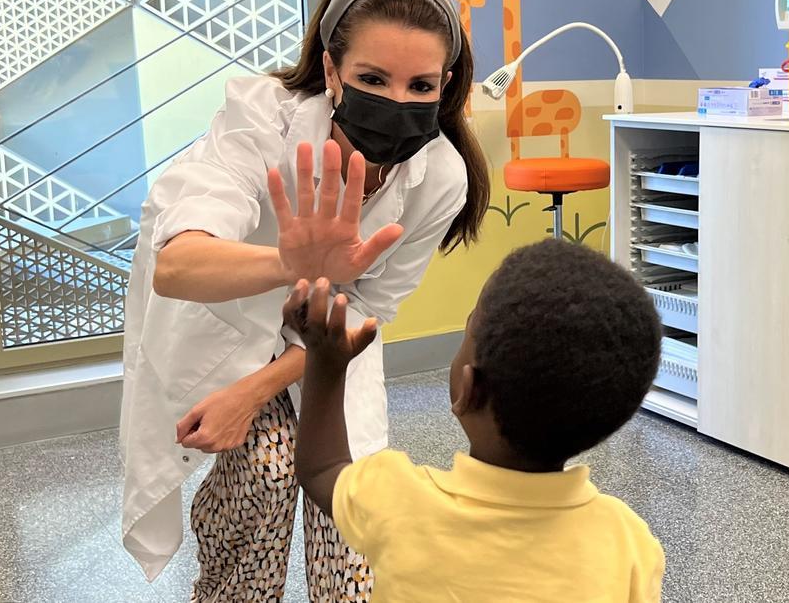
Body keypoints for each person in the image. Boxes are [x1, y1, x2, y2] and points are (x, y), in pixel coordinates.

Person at [118, 0, 489, 602]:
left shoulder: (442, 176)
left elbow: (369, 304)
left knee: (351, 510)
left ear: (445, 85)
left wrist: (262, 386)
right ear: (330, 71)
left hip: (327, 345)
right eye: (372, 78)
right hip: (225, 328)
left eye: (420, 85)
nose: (396, 102)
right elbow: (176, 266)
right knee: (264, 476)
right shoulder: (261, 121)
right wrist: (292, 265)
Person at [281, 240, 667, 601]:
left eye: (468, 330)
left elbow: (322, 468)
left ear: (469, 389)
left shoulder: (399, 501)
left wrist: (325, 365)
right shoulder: (629, 543)